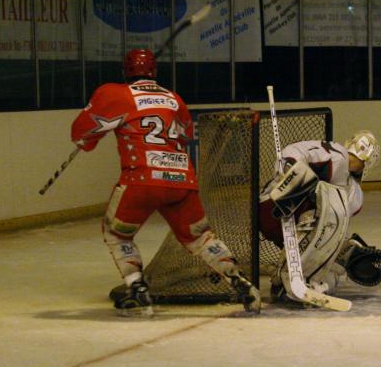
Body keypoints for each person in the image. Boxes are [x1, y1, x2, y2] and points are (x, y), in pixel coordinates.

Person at [70, 49, 261, 316]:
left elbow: (81, 130)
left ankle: (137, 290)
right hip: (181, 180)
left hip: (141, 180)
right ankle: (238, 280)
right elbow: (184, 134)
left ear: (125, 71)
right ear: (154, 72)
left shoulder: (114, 93)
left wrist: (86, 142)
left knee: (117, 233)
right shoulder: (174, 98)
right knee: (201, 238)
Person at [259, 131, 381, 304]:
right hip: (271, 208)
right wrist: (292, 174)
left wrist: (340, 247)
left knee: (331, 277)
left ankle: (301, 279)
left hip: (294, 226)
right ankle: (285, 279)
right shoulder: (338, 156)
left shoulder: (354, 193)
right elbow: (291, 153)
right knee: (324, 213)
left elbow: (333, 226)